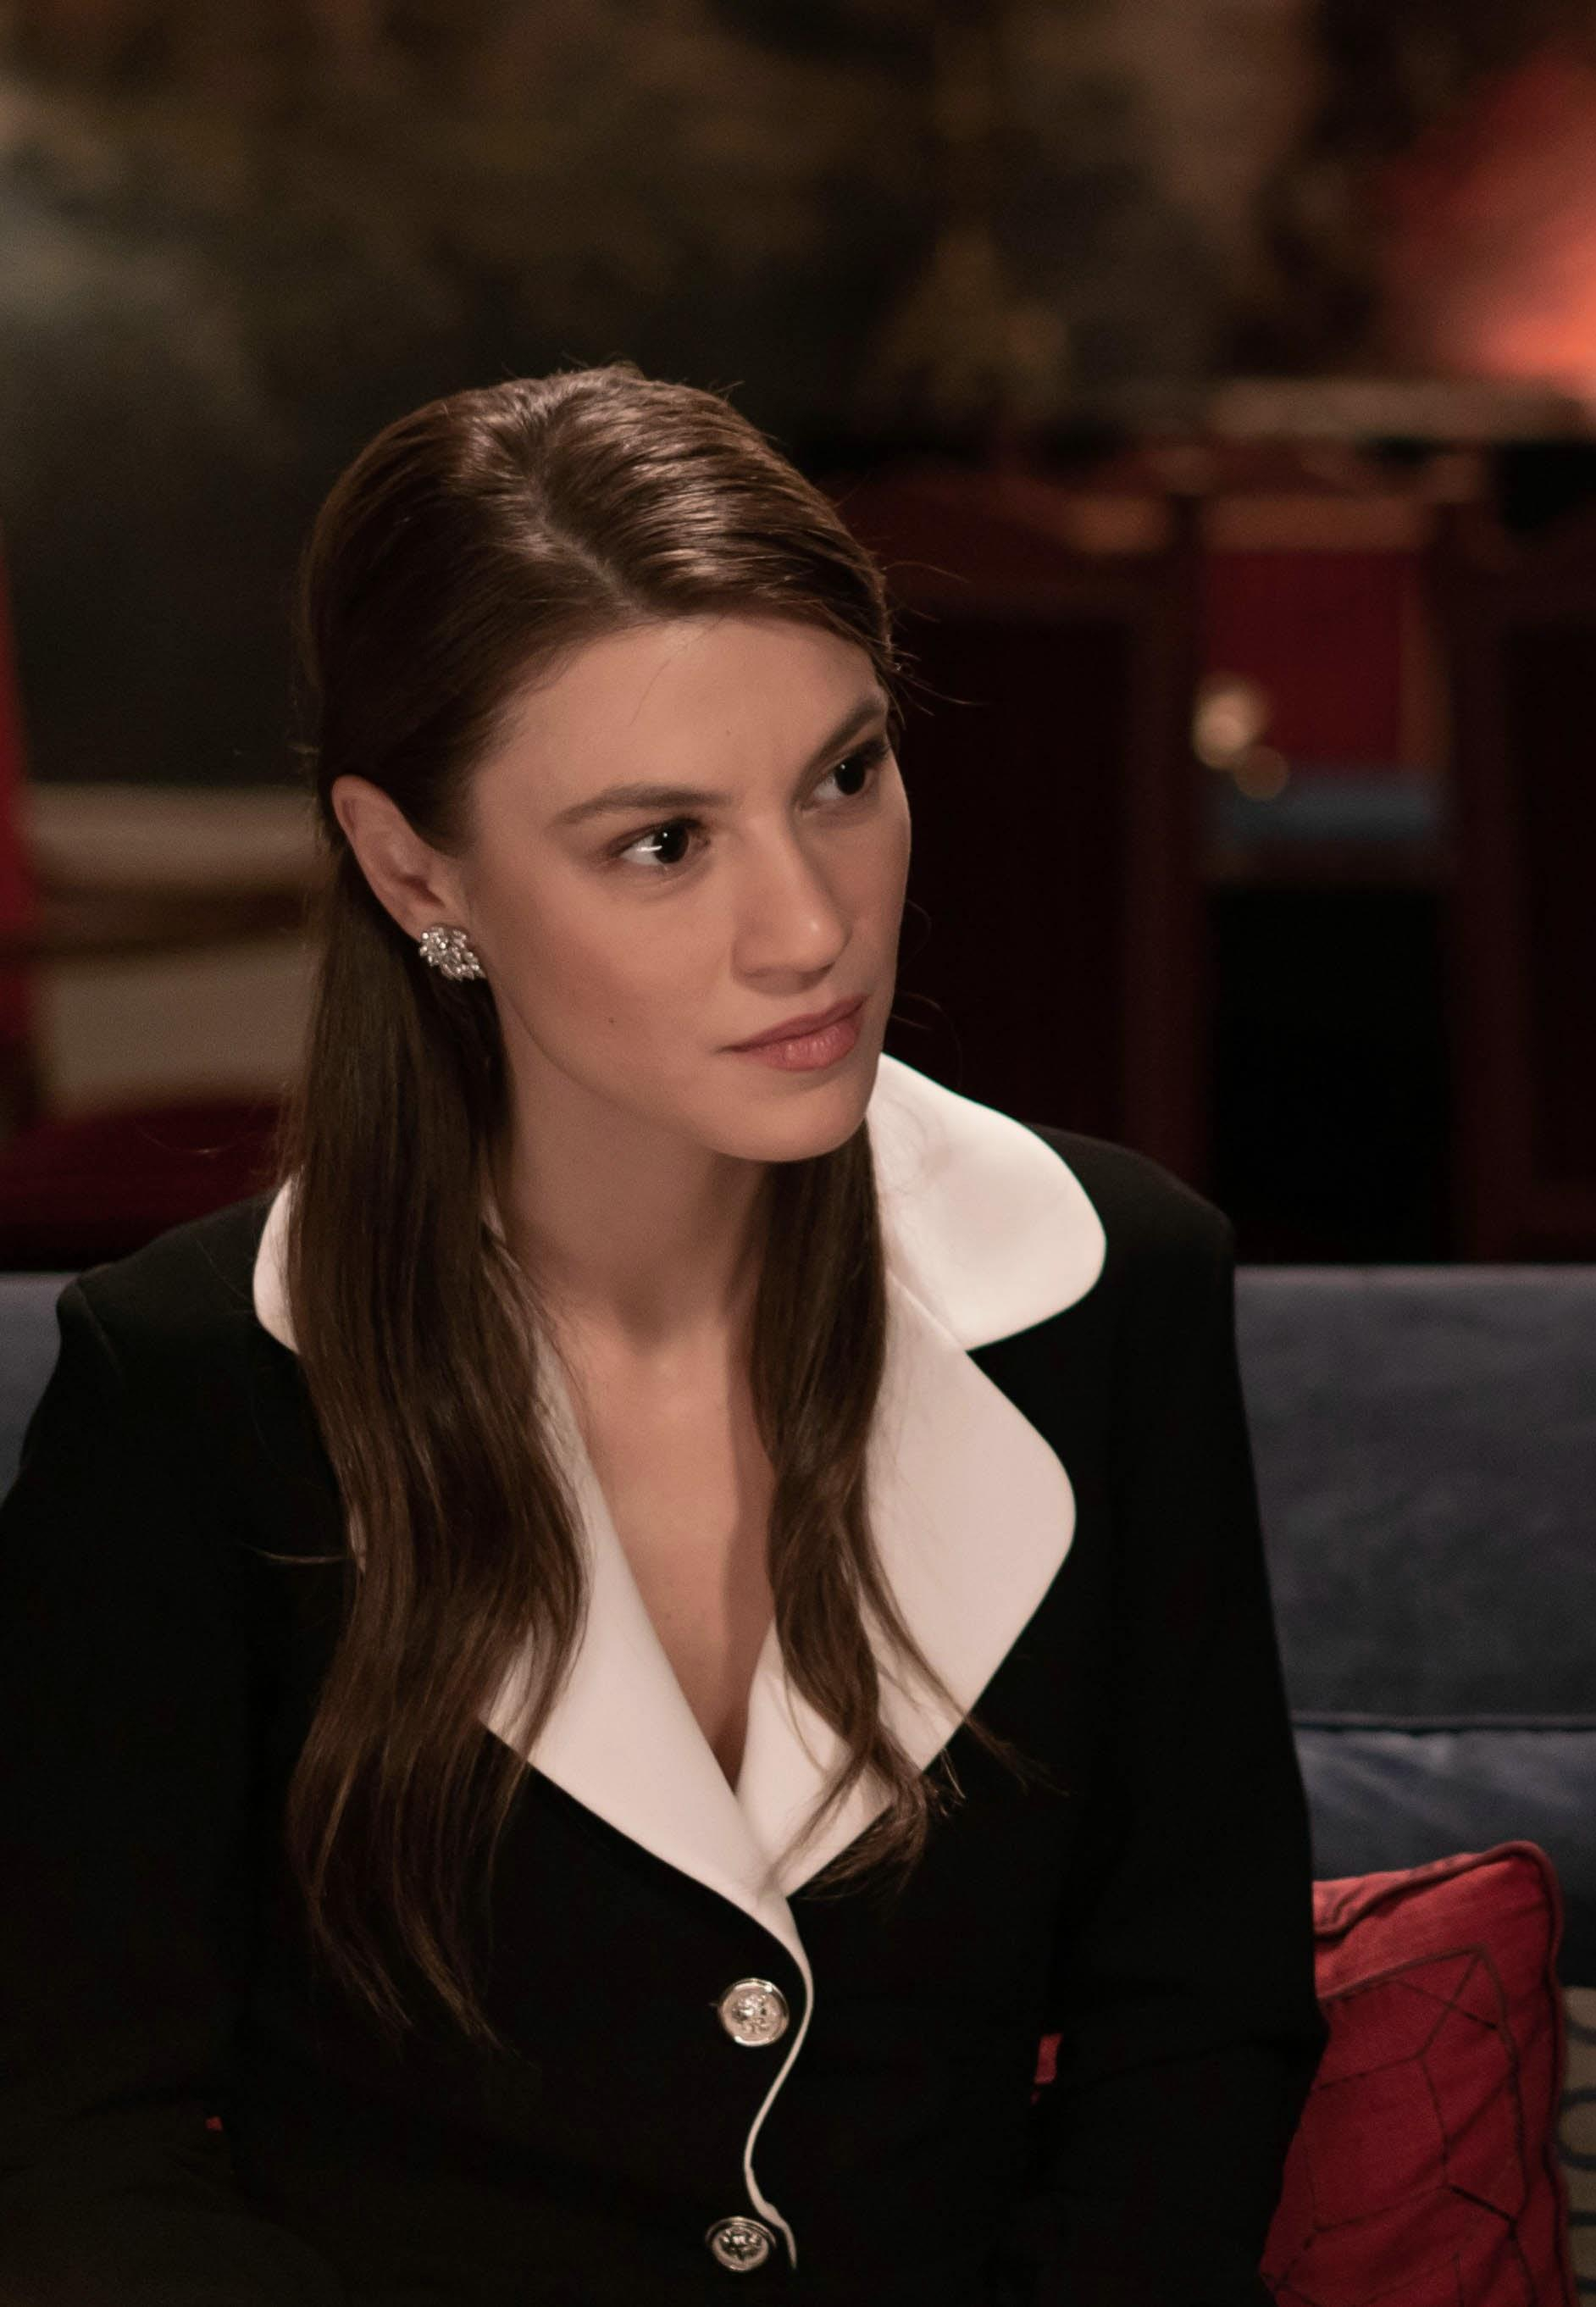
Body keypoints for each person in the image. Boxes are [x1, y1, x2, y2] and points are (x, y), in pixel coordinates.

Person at [0, 369, 1324, 2303]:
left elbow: (1198, 2032)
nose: (809, 928)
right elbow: (67, 2141)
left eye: (843, 778)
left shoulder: (1117, 1285)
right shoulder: (192, 1384)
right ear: (413, 869)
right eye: (661, 843)